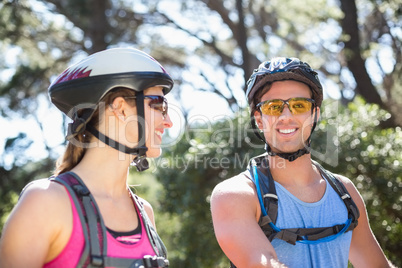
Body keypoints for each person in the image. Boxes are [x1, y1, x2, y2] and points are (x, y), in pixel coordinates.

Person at [210, 57, 394, 268]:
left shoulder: (345, 192)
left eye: (299, 105)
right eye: (273, 107)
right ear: (259, 120)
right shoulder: (236, 195)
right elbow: (262, 264)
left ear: (314, 114)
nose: (286, 116)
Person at [0, 48, 174, 267]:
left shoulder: (144, 213)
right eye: (159, 104)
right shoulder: (45, 202)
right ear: (120, 109)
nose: (168, 121)